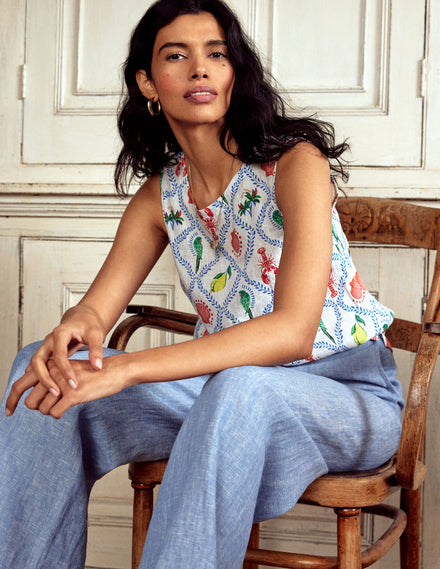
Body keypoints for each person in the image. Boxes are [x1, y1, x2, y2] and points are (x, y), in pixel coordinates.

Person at [0, 1, 404, 567]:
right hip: (225, 391)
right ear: (147, 83)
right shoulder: (160, 197)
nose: (200, 68)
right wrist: (77, 326)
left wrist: (130, 367)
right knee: (39, 371)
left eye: (216, 53)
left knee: (240, 389)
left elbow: (292, 331)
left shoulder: (296, 163)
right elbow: (96, 310)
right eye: (176, 55)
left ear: (235, 70)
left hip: (347, 395)